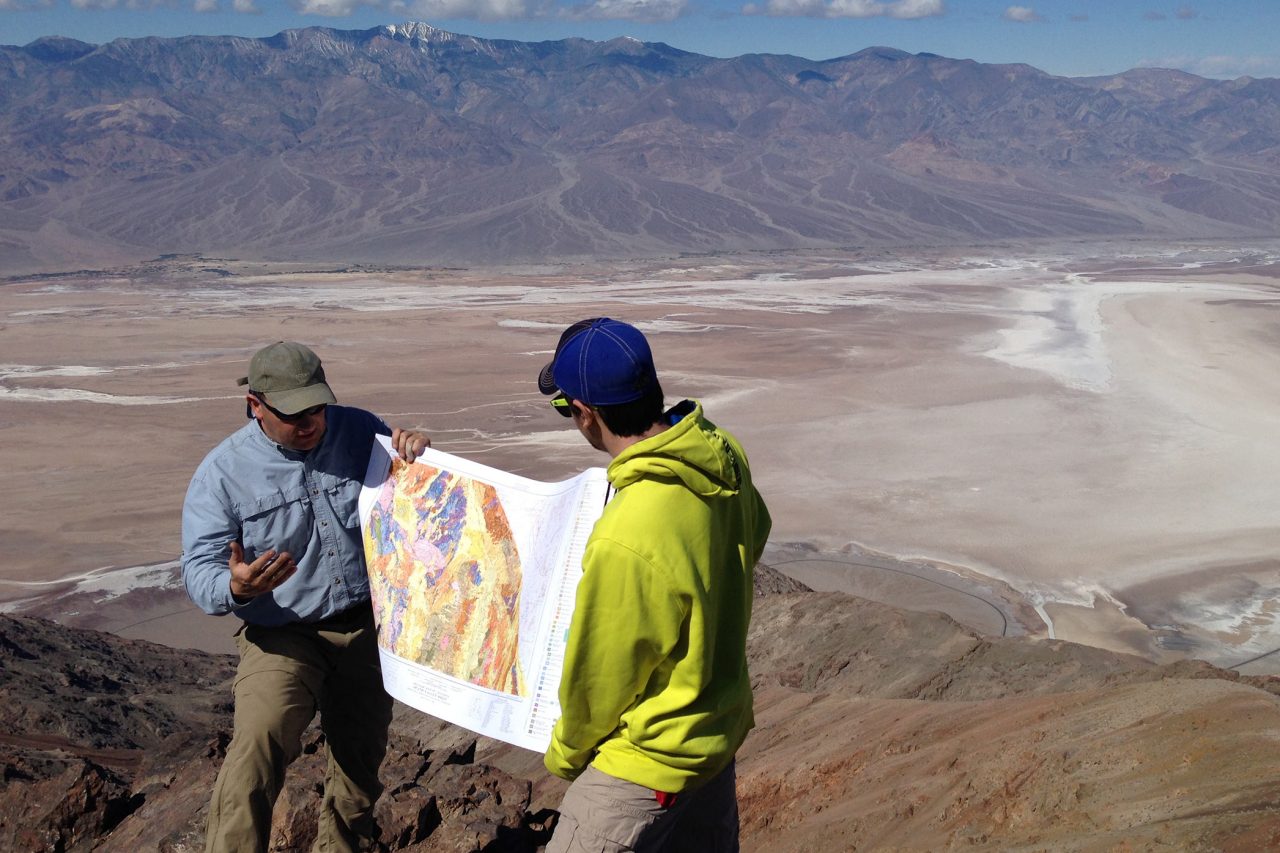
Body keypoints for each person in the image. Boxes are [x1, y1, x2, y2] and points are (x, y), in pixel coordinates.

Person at [182, 341, 429, 853]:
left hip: (365, 626)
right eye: (293, 413)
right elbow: (199, 570)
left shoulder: (360, 429)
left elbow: (410, 499)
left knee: (360, 765)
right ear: (256, 405)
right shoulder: (221, 474)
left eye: (317, 407)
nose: (310, 421)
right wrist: (235, 586)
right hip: (283, 633)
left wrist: (416, 454)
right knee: (257, 747)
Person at [537, 318, 772, 852]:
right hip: (715, 736)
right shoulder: (720, 451)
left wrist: (567, 754)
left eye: (565, 408)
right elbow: (754, 535)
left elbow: (604, 672)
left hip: (648, 763)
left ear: (587, 414)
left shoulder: (630, 529)